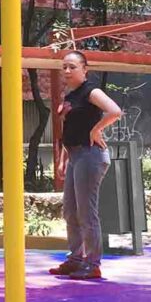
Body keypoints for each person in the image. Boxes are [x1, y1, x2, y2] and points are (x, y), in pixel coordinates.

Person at [49, 51, 121, 280]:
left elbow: (115, 111)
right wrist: (63, 159)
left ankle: (92, 263)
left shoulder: (91, 91)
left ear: (84, 69)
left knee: (86, 212)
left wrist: (96, 130)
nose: (67, 71)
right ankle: (76, 259)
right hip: (75, 156)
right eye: (64, 67)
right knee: (70, 210)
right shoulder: (70, 96)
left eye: (72, 67)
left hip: (90, 156)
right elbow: (68, 130)